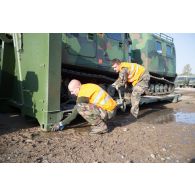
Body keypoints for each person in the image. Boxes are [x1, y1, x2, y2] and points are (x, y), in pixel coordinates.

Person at [52, 79, 117, 134]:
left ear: (77, 88)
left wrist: (61, 123)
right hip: (111, 109)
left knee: (80, 107)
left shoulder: (83, 93)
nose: (71, 93)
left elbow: (75, 112)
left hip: (109, 112)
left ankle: (101, 126)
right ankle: (101, 123)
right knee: (83, 106)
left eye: (72, 91)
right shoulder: (86, 87)